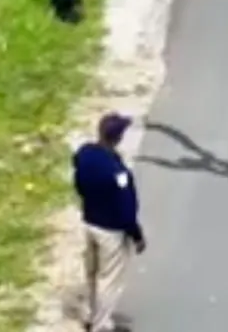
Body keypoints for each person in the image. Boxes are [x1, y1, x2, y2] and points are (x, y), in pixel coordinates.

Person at [73, 113, 147, 332]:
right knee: (108, 280)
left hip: (89, 222)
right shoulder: (117, 172)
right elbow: (126, 209)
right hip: (111, 232)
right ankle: (101, 326)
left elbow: (78, 177)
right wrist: (137, 235)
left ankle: (90, 314)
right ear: (118, 138)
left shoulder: (85, 154)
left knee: (92, 273)